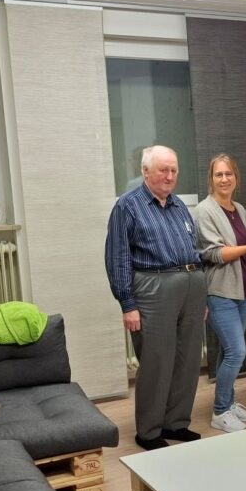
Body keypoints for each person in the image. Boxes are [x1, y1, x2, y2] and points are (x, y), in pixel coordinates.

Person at [104, 145, 207, 451]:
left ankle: (176, 423)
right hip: (153, 288)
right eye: (163, 170)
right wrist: (128, 304)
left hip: (191, 287)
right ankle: (148, 431)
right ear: (145, 171)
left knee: (188, 360)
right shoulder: (128, 206)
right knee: (156, 362)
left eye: (174, 170)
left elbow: (194, 249)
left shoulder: (178, 205)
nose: (170, 176)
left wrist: (200, 296)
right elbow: (118, 258)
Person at [195, 154, 246, 433]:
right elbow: (214, 253)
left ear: (236, 178)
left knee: (229, 351)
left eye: (229, 174)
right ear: (211, 179)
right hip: (220, 292)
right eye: (219, 174)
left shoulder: (238, 208)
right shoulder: (204, 210)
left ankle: (228, 402)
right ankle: (219, 411)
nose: (224, 179)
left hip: (243, 290)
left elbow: (240, 241)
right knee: (237, 352)